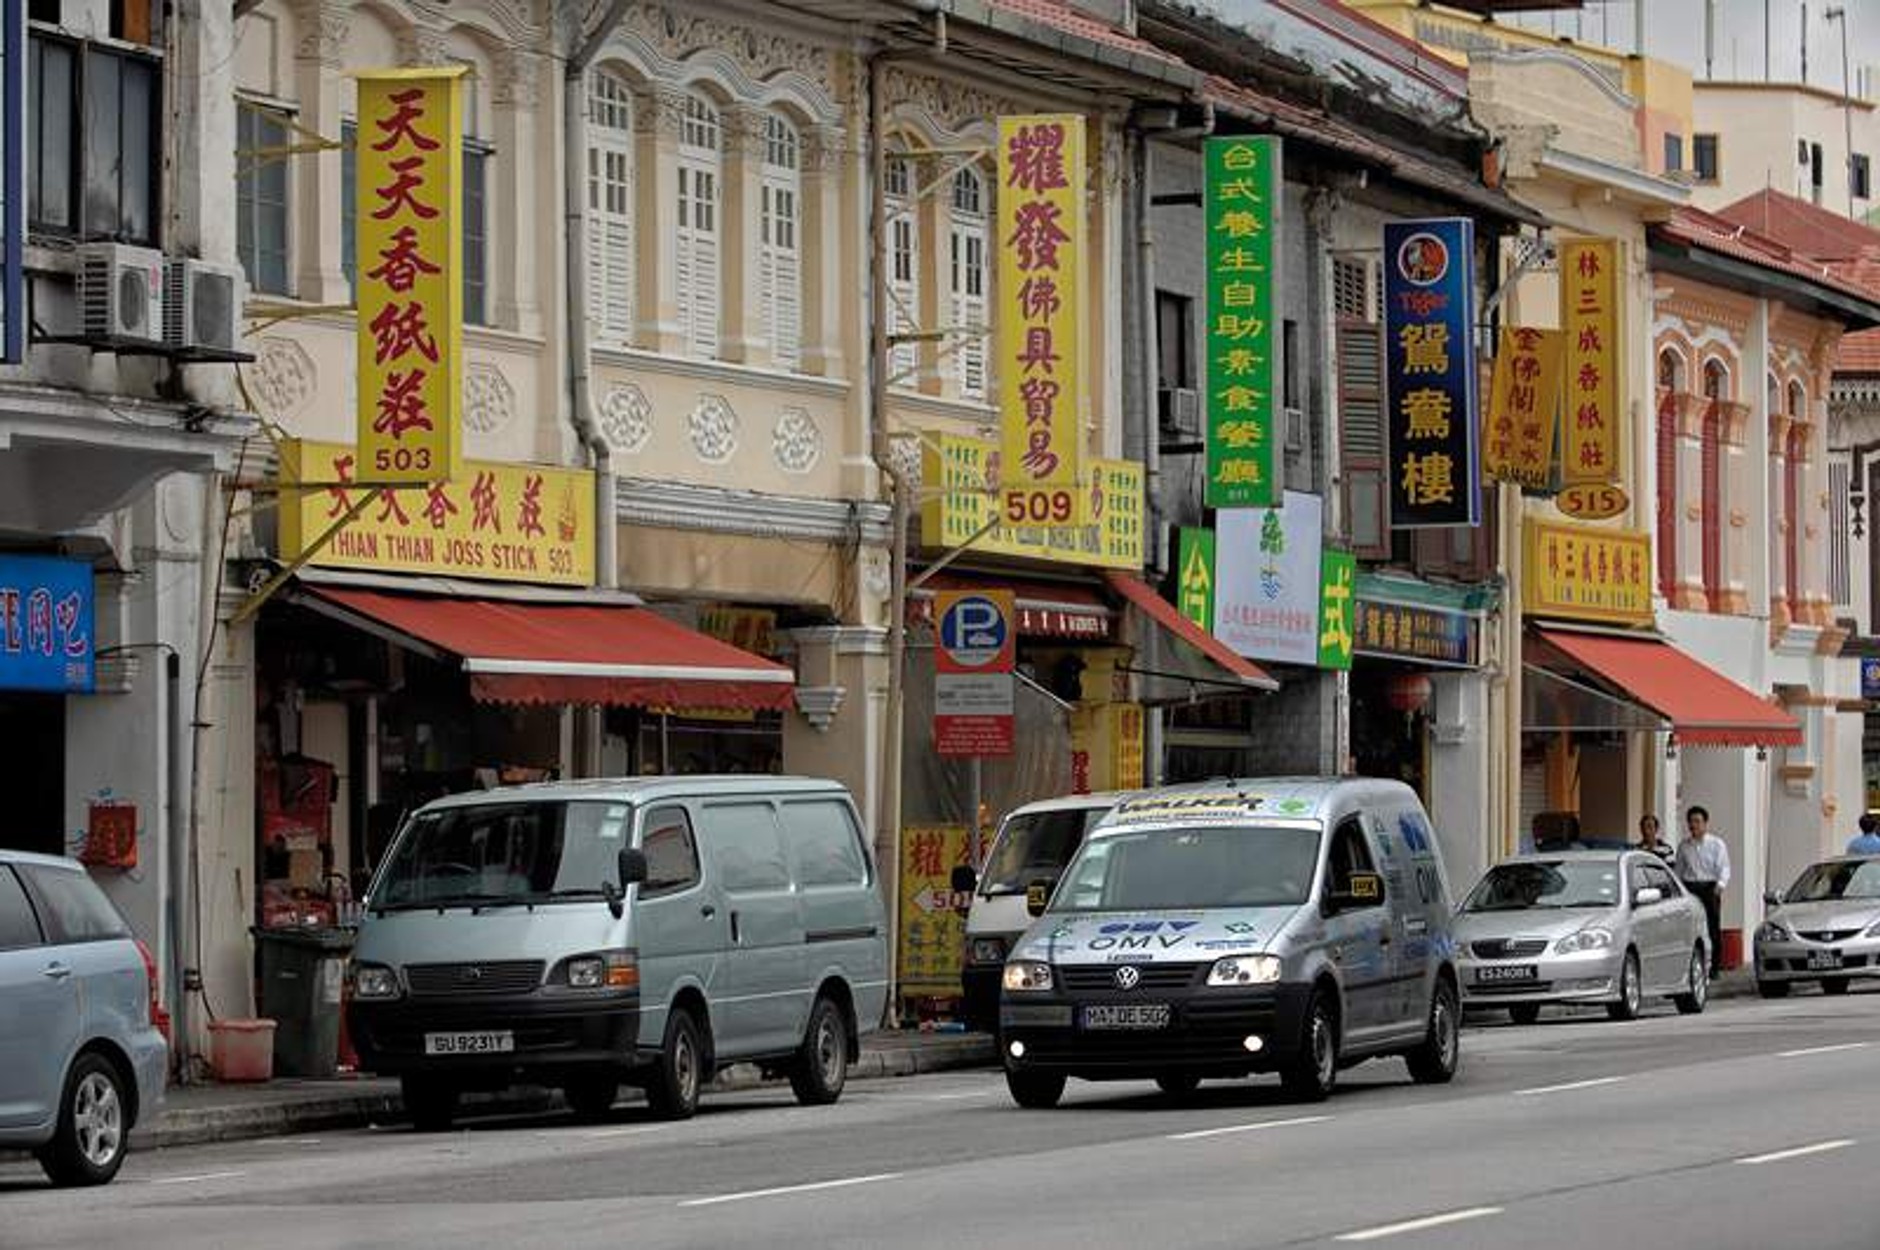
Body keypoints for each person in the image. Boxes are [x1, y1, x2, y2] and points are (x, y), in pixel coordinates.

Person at [1674, 805, 1731, 979]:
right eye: (1691, 822)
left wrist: (1720, 885)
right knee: (1689, 927)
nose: (1694, 825)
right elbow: (1679, 871)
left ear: (1705, 824)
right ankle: (1691, 966)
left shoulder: (1716, 844)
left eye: (1697, 821)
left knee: (1713, 926)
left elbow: (1724, 867)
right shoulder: (1684, 846)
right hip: (1690, 888)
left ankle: (1715, 967)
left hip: (1709, 888)